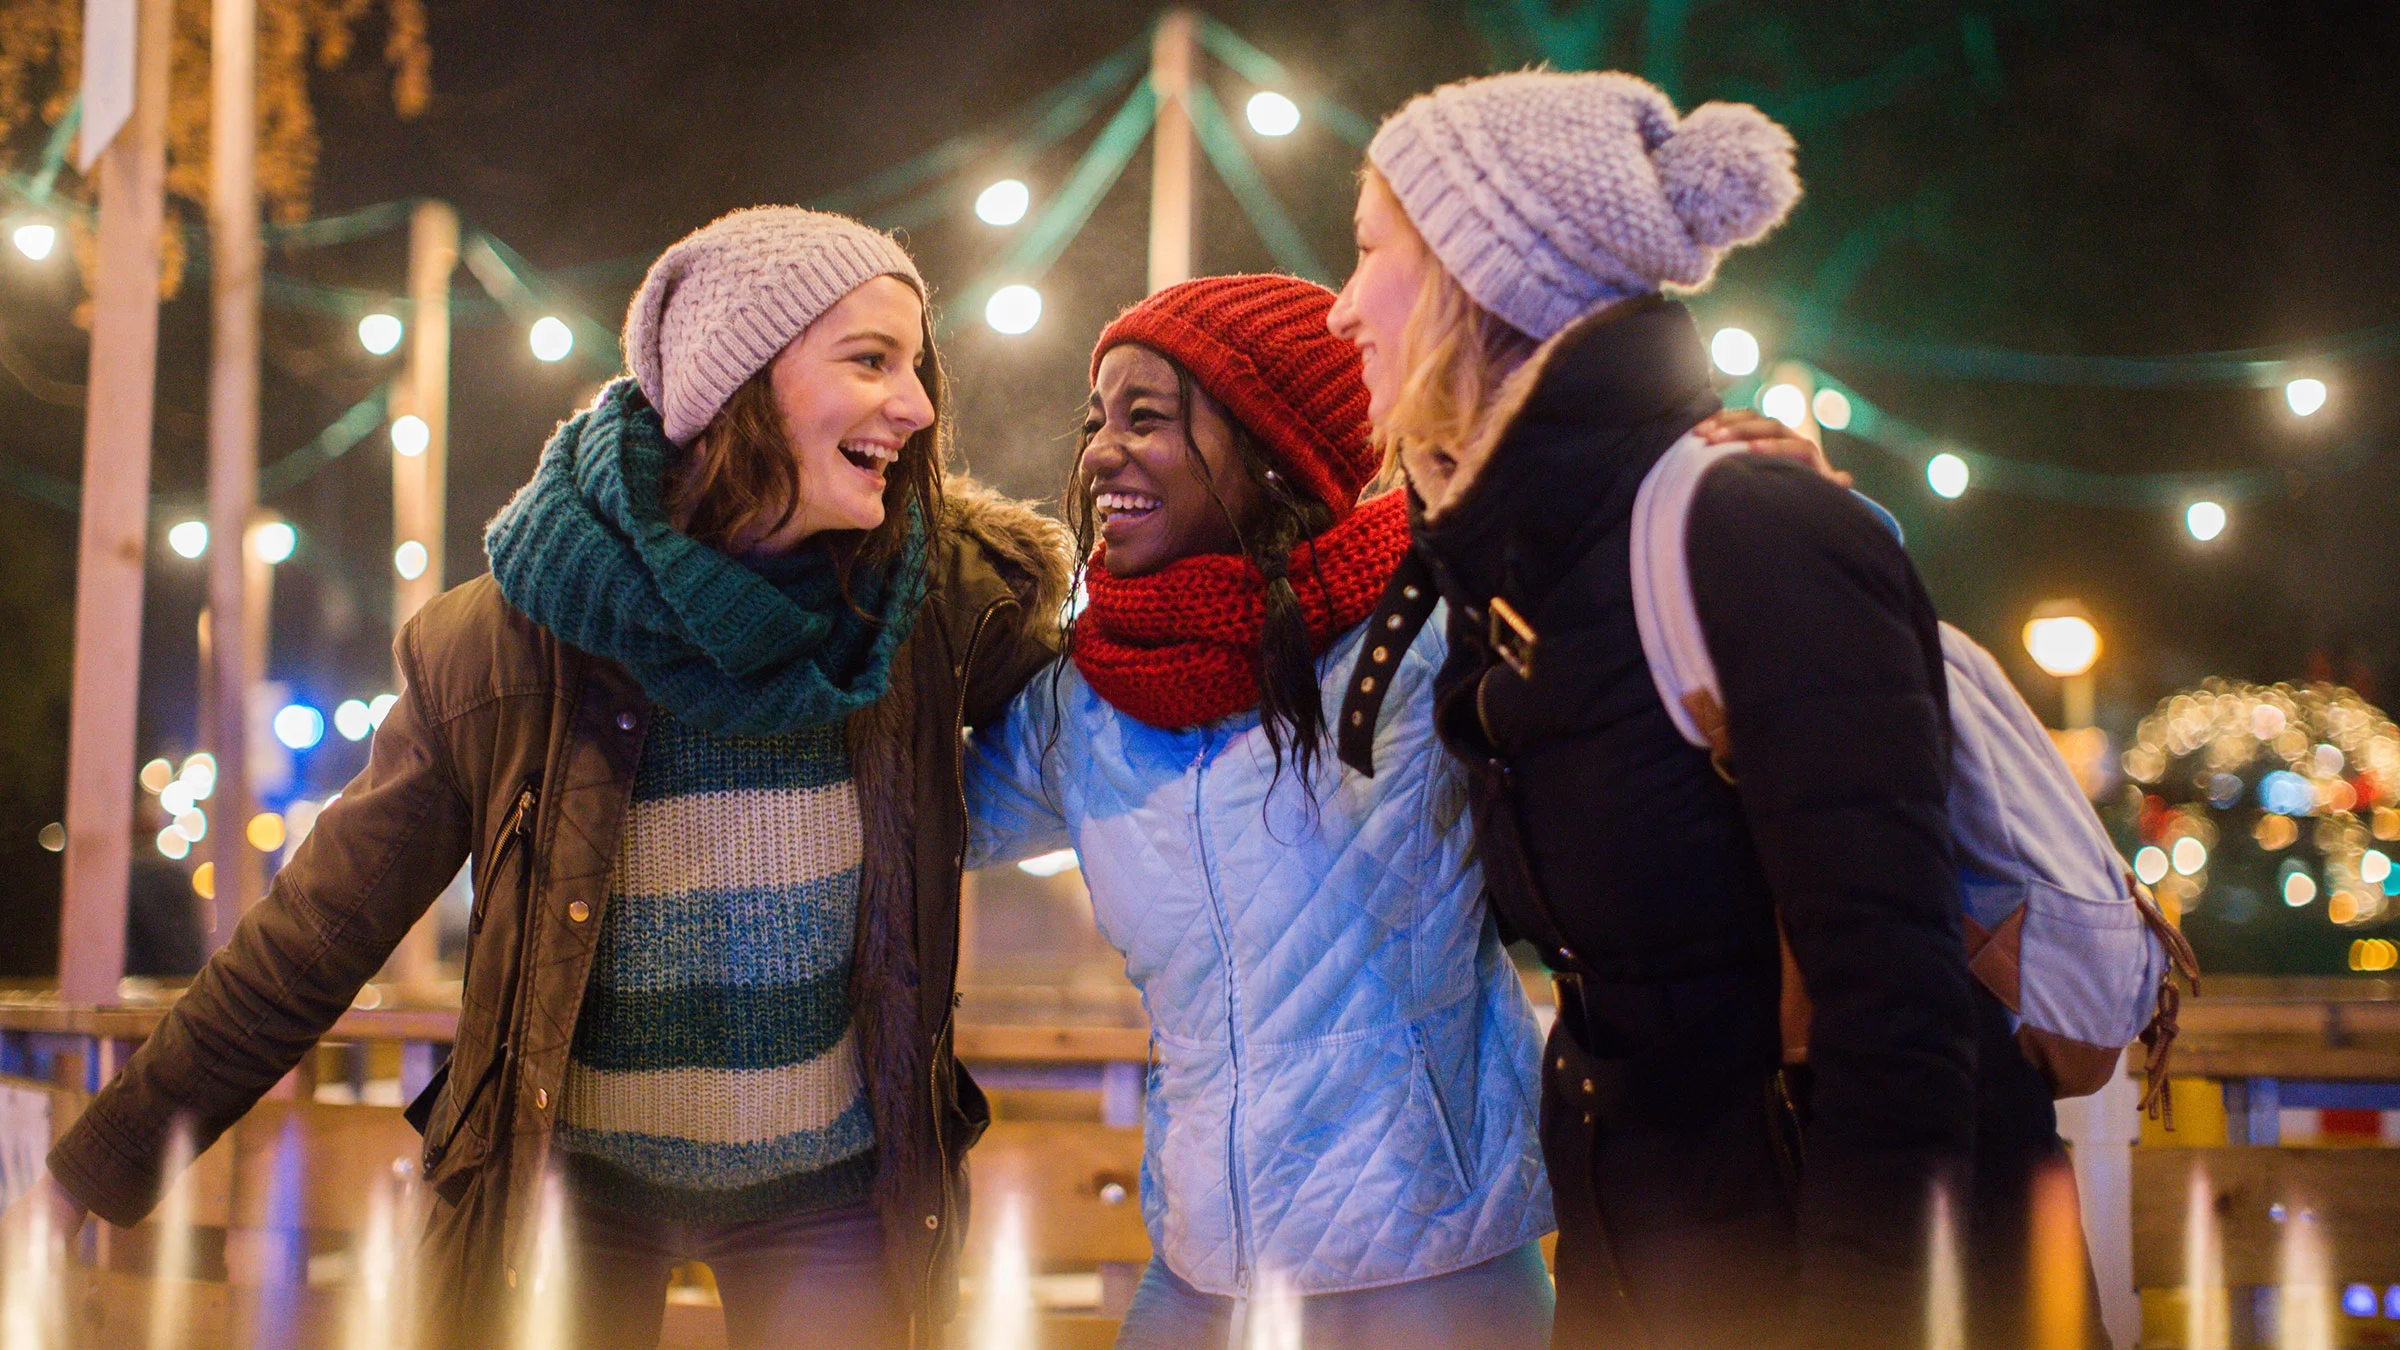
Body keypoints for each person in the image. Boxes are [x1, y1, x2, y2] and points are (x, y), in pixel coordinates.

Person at [11, 207, 1070, 1350]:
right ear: (737, 385)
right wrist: (77, 1184)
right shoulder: (505, 645)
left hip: (833, 1199)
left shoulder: (937, 610)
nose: (915, 406)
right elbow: (312, 940)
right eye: (869, 360)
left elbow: (1131, 712)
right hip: (571, 1199)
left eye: (916, 365)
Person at [1326, 71, 2081, 1348]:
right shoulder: (1523, 563)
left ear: (1479, 272)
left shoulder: (1747, 528)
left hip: (1824, 1274)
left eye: (1367, 253)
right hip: (1651, 1258)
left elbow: (1891, 1009)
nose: (1343, 307)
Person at [962, 274, 1817, 1350]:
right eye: (1096, 420)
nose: (1098, 453)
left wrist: (1769, 509)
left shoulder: (1422, 639)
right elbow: (920, 816)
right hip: (1203, 1269)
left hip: (1431, 1267)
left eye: (1148, 419)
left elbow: (1659, 641)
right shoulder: (1081, 703)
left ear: (1271, 446)